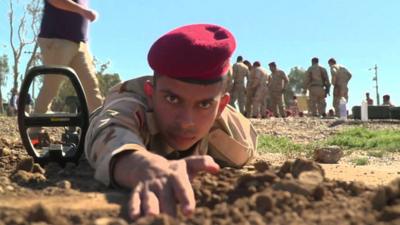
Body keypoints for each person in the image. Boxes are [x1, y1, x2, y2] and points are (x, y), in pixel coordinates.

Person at [84, 24, 257, 219]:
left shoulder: (234, 135)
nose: (186, 122)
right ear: (151, 94)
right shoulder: (132, 100)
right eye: (172, 99)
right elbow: (108, 128)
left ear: (221, 107)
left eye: (204, 105)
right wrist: (142, 165)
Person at [34, 0, 103, 116]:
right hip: (57, 40)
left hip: (80, 45)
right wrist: (83, 11)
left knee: (91, 88)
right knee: (52, 85)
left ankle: (101, 128)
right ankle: (36, 129)